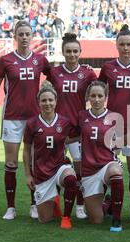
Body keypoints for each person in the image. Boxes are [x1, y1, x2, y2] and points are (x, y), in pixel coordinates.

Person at [0, 20, 50, 220]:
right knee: (11, 163)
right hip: (11, 117)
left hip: (34, 118)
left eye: (27, 34)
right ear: (15, 36)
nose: (24, 37)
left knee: (33, 161)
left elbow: (56, 78)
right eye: (20, 34)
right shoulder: (5, 60)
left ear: (31, 36)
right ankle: (11, 207)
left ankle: (34, 204)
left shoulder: (40, 60)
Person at [98, 24, 130, 221]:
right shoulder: (108, 67)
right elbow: (98, 90)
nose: (126, 48)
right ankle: (106, 202)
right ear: (117, 46)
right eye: (122, 44)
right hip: (111, 126)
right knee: (107, 167)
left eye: (129, 44)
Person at [47, 33, 97, 220]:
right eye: (68, 51)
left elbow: (97, 94)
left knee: (80, 170)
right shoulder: (54, 73)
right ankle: (54, 203)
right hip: (56, 129)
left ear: (80, 52)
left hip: (77, 130)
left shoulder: (88, 73)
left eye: (75, 51)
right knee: (53, 168)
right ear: (62, 52)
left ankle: (81, 206)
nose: (72, 54)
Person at [22, 81, 80, 229]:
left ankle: (66, 217)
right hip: (41, 174)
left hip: (60, 167)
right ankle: (54, 200)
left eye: (50, 100)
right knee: (44, 219)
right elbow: (27, 150)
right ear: (38, 103)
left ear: (56, 101)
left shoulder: (65, 122)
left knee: (71, 178)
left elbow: (72, 137)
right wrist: (28, 175)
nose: (47, 103)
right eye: (44, 100)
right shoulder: (31, 124)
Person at [74, 81, 125, 232]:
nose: (96, 99)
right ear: (88, 97)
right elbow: (73, 135)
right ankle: (108, 203)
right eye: (93, 96)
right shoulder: (82, 115)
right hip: (89, 170)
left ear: (106, 97)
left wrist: (114, 145)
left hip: (107, 165)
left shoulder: (114, 117)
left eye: (100, 96)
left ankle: (117, 219)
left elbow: (121, 142)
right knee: (96, 220)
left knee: (116, 172)